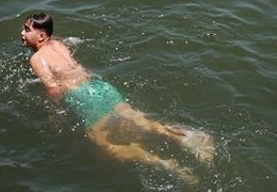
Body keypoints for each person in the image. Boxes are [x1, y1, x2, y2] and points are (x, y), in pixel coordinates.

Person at [19, 12, 214, 182]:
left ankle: (169, 164)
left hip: (83, 96)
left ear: (41, 35)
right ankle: (188, 138)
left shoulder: (37, 58)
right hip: (100, 86)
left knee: (105, 143)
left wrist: (55, 115)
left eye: (27, 30)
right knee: (141, 121)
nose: (22, 33)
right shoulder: (58, 44)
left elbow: (52, 89)